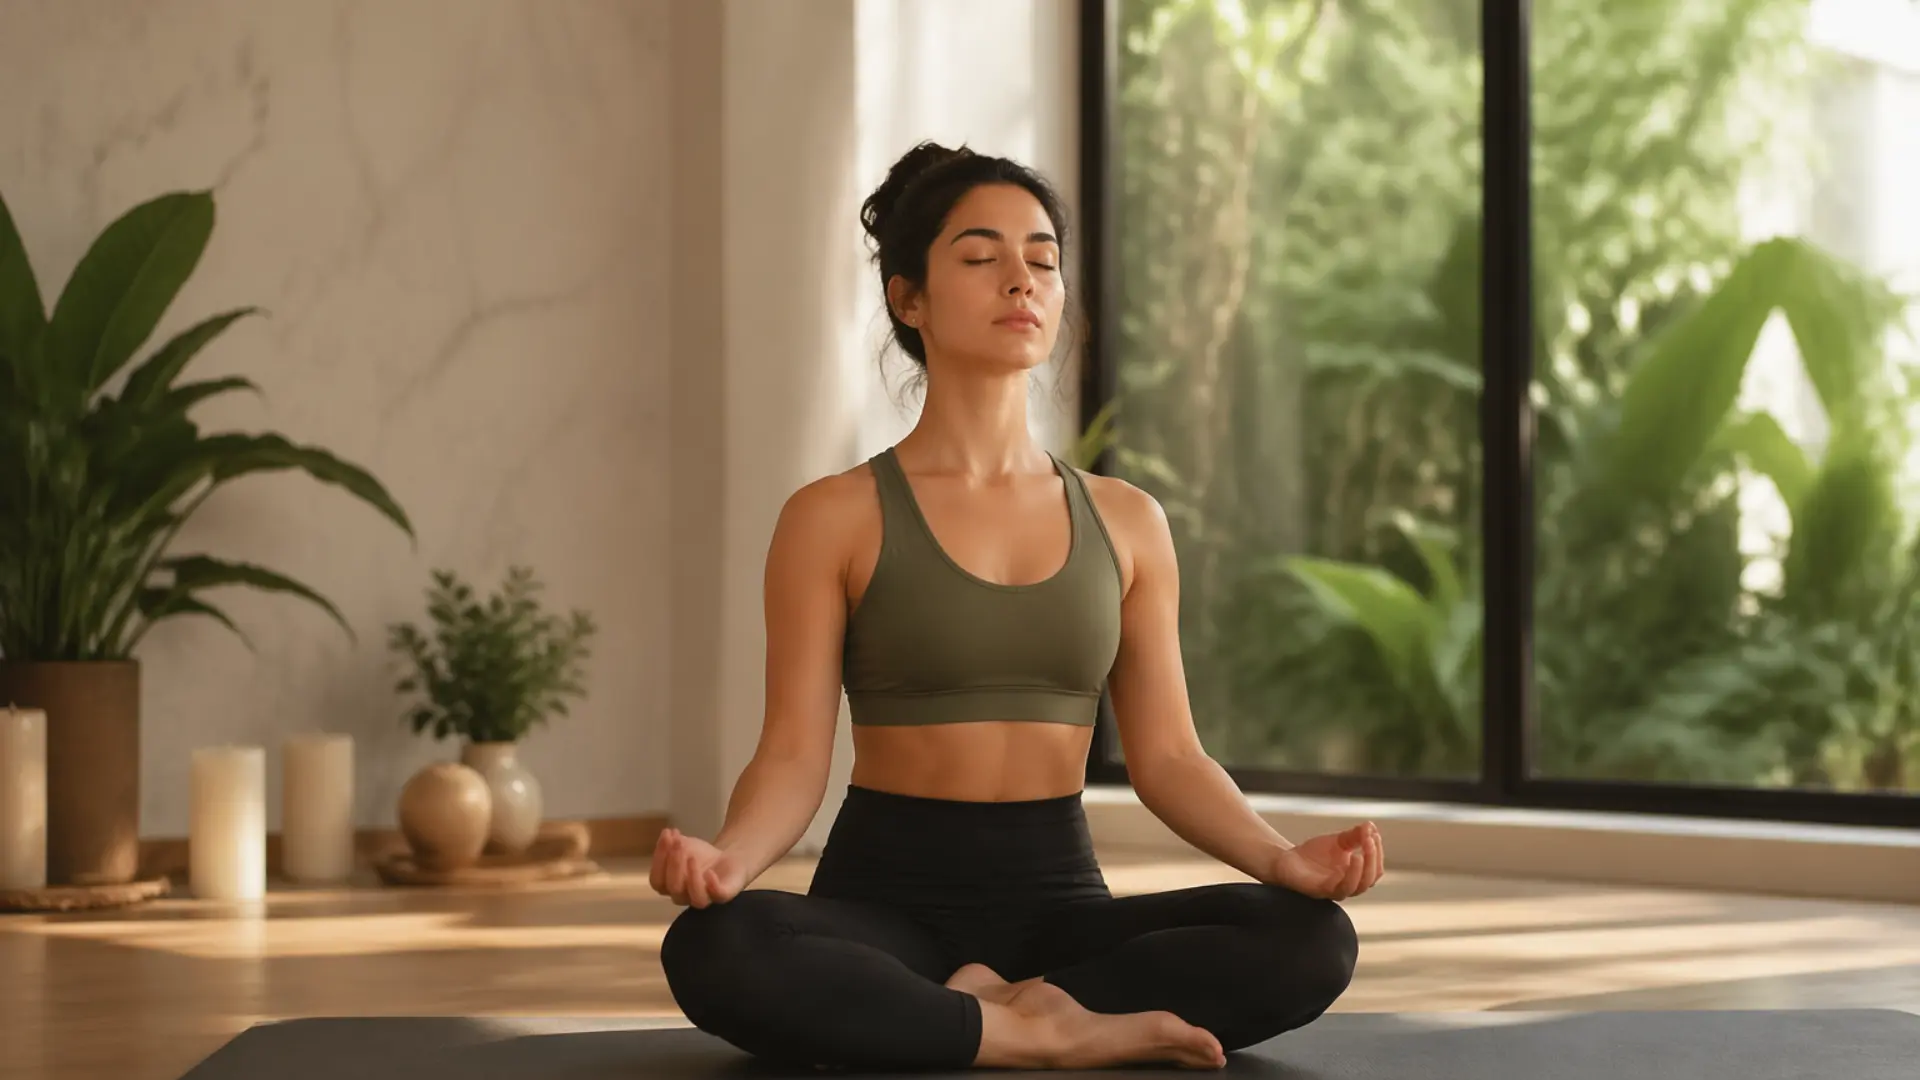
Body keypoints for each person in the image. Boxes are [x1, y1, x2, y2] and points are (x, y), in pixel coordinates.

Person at [651, 141, 1385, 1073]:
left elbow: (1168, 756)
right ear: (907, 299)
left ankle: (985, 1019)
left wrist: (1284, 862)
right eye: (979, 256)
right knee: (716, 948)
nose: (1021, 281)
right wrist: (729, 863)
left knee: (1312, 940)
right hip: (884, 904)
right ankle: (1035, 1031)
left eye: (1041, 260)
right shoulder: (832, 517)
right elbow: (795, 756)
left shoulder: (1127, 521)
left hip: (1060, 910)